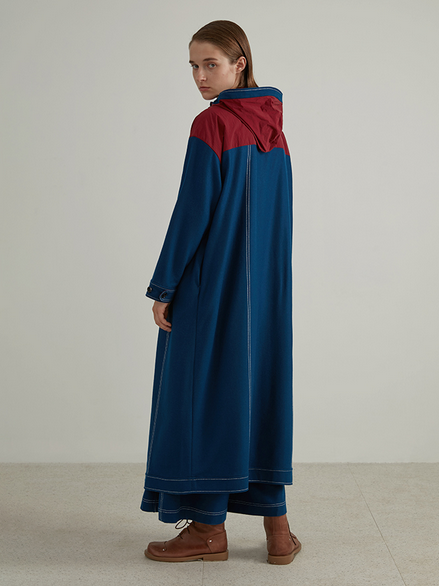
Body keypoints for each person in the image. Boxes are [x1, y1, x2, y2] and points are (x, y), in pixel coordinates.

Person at [140, 20, 301, 565]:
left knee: (202, 399)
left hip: (212, 287)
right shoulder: (276, 132)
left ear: (240, 64)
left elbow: (192, 211)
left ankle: (208, 529)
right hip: (266, 295)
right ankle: (278, 533)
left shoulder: (212, 123)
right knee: (258, 396)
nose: (200, 76)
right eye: (193, 66)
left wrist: (165, 285)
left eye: (211, 64)